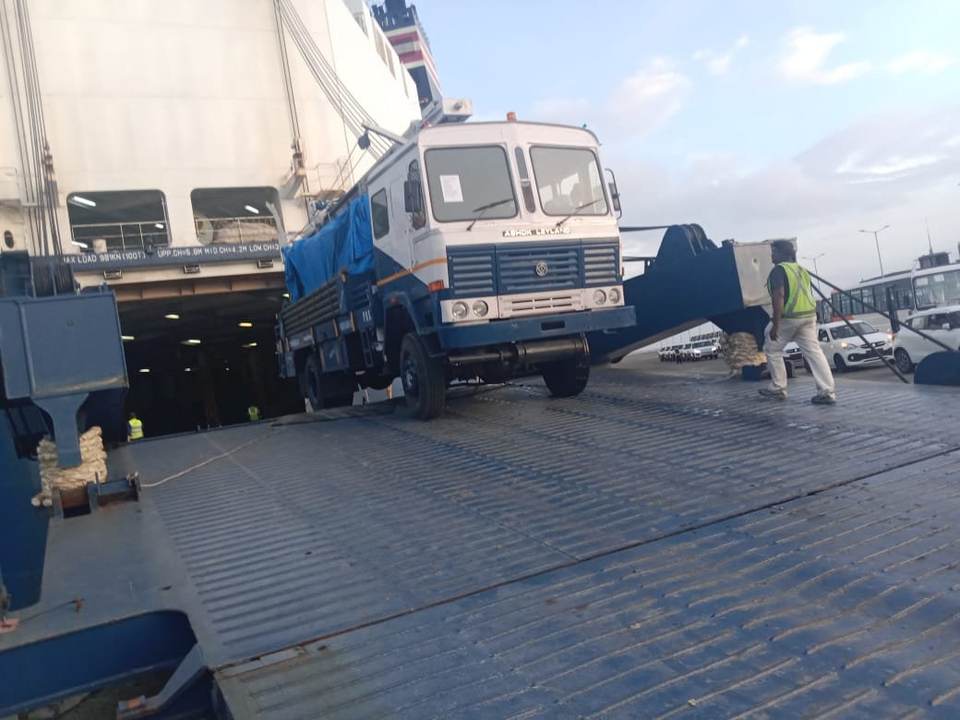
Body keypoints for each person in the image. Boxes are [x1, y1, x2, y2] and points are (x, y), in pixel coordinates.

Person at [759, 240, 837, 404]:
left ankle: (778, 388)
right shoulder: (801, 270)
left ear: (783, 254)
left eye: (774, 252)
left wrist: (776, 325)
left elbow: (779, 296)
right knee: (814, 352)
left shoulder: (779, 270)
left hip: (790, 317)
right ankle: (827, 391)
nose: (772, 255)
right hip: (809, 316)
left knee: (772, 348)